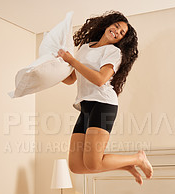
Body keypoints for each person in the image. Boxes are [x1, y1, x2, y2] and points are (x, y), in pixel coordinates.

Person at [57, 11, 153, 185]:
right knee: (76, 166)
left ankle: (137, 158)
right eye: (116, 26)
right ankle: (127, 165)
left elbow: (101, 79)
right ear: (108, 25)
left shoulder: (113, 52)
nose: (117, 31)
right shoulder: (86, 47)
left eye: (121, 33)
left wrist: (72, 61)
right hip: (85, 106)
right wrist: (52, 70)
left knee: (93, 163)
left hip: (103, 104)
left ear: (120, 40)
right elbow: (72, 79)